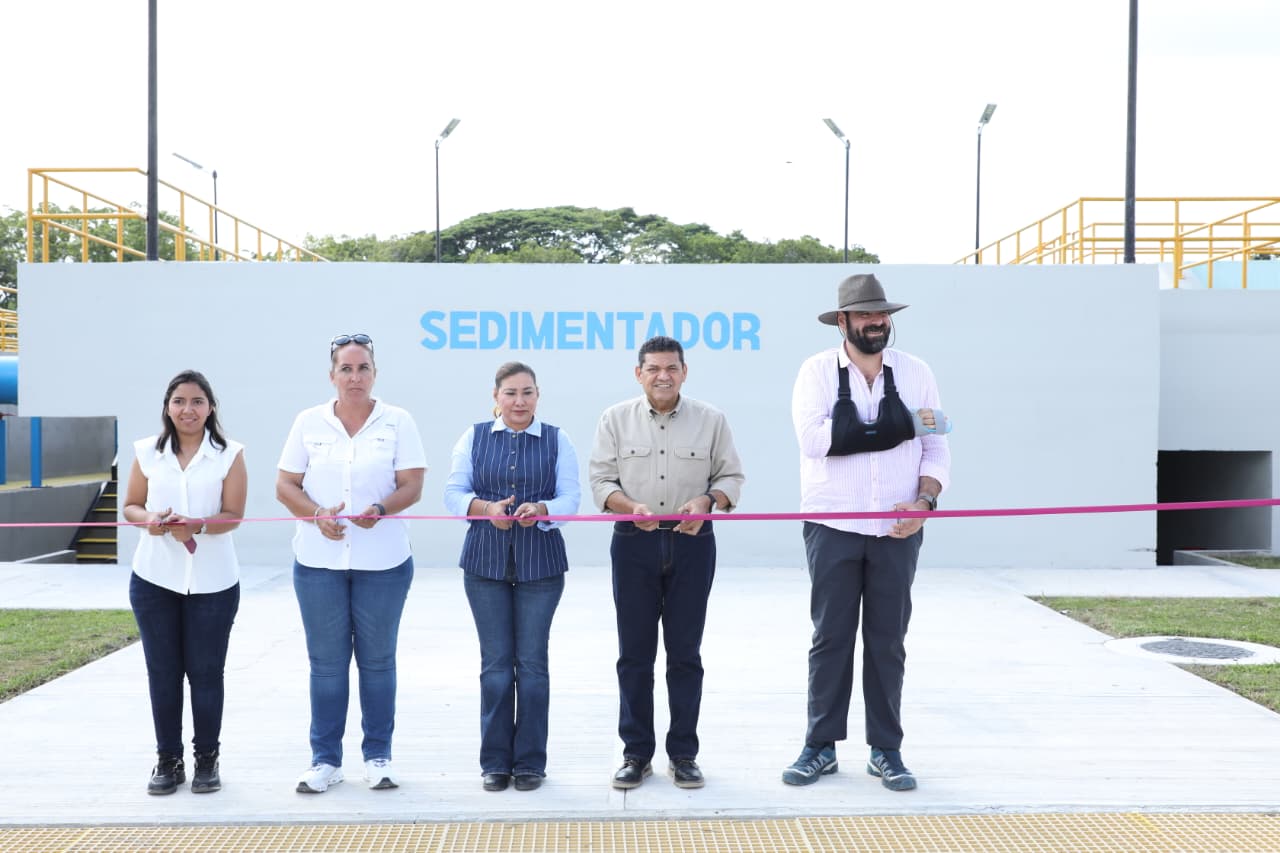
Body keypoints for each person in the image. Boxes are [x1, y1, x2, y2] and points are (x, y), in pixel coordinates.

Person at [783, 273, 951, 792]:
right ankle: (820, 746)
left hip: (898, 527)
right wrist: (904, 425)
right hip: (832, 523)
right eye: (865, 315)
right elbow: (816, 442)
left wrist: (925, 501)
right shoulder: (815, 372)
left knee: (887, 640)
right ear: (843, 321)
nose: (878, 323)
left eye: (883, 315)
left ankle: (886, 750)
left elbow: (938, 446)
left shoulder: (916, 371)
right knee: (830, 638)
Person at [589, 335, 745, 790]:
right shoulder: (614, 419)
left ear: (684, 371)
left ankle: (684, 755)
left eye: (671, 368)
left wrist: (708, 500)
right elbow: (601, 480)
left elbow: (731, 476)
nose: (663, 376)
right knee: (634, 656)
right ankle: (636, 754)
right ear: (638, 373)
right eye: (653, 368)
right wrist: (628, 505)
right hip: (633, 543)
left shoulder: (710, 419)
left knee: (685, 655)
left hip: (692, 543)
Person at [275, 333, 426, 794]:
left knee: (378, 663)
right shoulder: (308, 422)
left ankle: (378, 757)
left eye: (363, 369)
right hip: (318, 563)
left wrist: (379, 510)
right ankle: (325, 761)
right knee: (326, 664)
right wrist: (315, 515)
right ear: (332, 375)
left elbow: (412, 485)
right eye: (346, 368)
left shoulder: (397, 421)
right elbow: (286, 485)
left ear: (374, 373)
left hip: (383, 562)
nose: (355, 377)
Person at [444, 361, 581, 793]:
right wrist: (487, 510)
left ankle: (530, 764)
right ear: (496, 397)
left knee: (533, 666)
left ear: (538, 396)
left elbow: (571, 498)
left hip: (541, 568)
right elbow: (452, 493)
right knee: (497, 668)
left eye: (527, 393)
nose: (519, 401)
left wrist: (542, 511)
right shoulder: (474, 436)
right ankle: (495, 762)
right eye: (510, 393)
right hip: (485, 567)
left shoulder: (559, 440)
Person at [122, 369, 247, 796]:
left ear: (210, 407)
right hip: (155, 578)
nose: (187, 410)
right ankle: (167, 760)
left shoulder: (229, 454)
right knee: (163, 672)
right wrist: (152, 521)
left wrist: (200, 526)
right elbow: (132, 507)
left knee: (207, 673)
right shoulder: (146, 452)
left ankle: (206, 760)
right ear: (167, 407)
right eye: (179, 401)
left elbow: (233, 514)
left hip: (213, 583)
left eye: (197, 401)